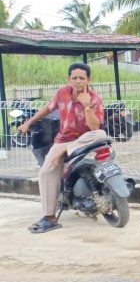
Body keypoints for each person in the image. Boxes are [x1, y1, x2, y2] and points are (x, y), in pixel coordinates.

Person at [20, 62, 109, 233]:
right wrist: (28, 123)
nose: (77, 81)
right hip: (63, 141)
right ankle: (49, 218)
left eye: (81, 78)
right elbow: (48, 108)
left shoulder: (95, 99)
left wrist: (87, 105)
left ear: (88, 80)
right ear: (68, 79)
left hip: (84, 139)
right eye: (74, 78)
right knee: (46, 171)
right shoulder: (62, 94)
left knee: (102, 135)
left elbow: (94, 128)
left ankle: (64, 151)